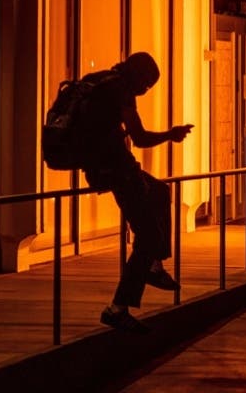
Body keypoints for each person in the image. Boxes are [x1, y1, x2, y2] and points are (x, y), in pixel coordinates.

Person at [81, 51, 194, 333]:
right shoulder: (120, 91)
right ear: (137, 75)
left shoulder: (101, 82)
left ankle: (154, 265)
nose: (145, 91)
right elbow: (140, 138)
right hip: (117, 170)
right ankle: (117, 308)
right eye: (145, 85)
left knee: (160, 191)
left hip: (105, 165)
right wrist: (171, 134)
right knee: (149, 236)